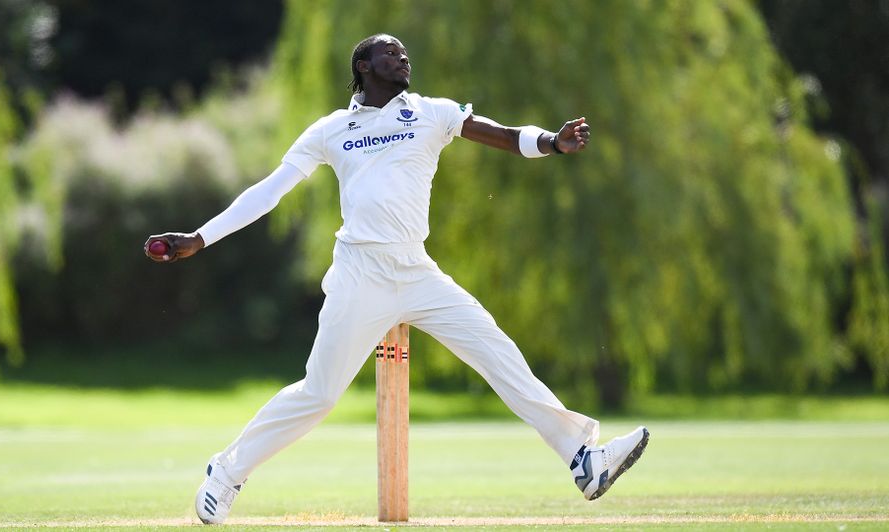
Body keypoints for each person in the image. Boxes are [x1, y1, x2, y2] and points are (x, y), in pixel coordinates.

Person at [145, 34, 649, 524]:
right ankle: (226, 472)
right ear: (363, 67)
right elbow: (270, 191)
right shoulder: (331, 129)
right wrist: (200, 237)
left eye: (404, 53)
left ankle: (582, 459)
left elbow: (503, 136)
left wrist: (553, 144)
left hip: (415, 270)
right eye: (390, 52)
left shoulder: (431, 111)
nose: (403, 57)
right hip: (360, 272)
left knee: (498, 353)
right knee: (318, 395)